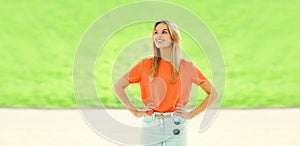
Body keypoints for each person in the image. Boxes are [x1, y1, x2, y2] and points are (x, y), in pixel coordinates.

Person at [113, 20, 219, 146]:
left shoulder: (186, 67)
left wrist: (191, 114)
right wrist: (135, 112)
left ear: (173, 37)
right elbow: (118, 86)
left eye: (164, 32)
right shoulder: (145, 65)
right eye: (156, 32)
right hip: (150, 125)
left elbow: (213, 93)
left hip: (176, 125)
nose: (158, 35)